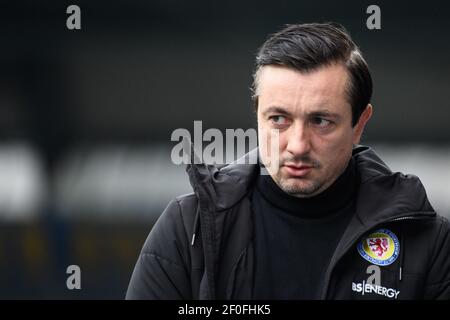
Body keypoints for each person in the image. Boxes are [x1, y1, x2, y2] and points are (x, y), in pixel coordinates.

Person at [126, 22, 450, 300]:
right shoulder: (188, 228)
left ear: (359, 124)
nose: (297, 145)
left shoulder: (425, 242)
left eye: (321, 121)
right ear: (257, 115)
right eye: (278, 118)